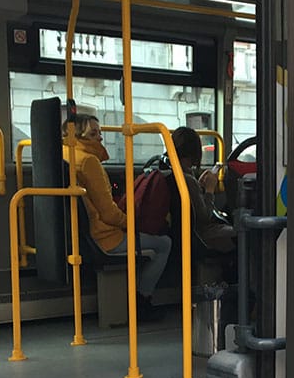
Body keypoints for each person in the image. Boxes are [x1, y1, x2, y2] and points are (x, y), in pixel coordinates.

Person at [67, 114, 171, 320]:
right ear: (79, 136)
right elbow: (108, 213)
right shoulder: (89, 162)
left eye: (100, 132)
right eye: (93, 133)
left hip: (89, 233)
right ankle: (142, 299)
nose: (100, 138)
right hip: (106, 237)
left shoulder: (68, 154)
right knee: (164, 243)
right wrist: (130, 222)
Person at [167, 126, 235, 254]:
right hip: (200, 235)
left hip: (183, 232)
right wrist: (209, 190)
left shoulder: (174, 173)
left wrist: (199, 186)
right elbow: (205, 217)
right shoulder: (188, 180)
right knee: (239, 234)